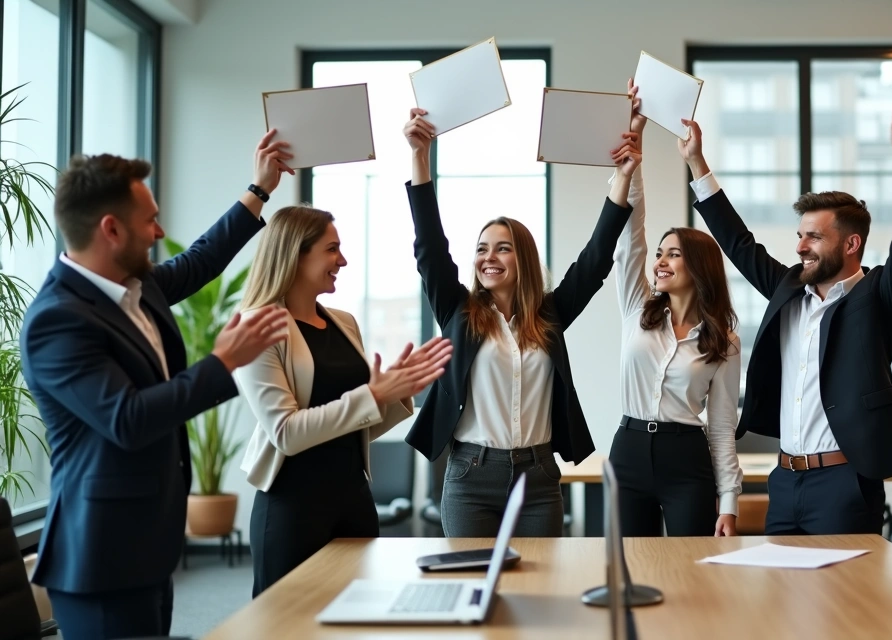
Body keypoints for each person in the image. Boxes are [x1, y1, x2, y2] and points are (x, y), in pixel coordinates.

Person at [19, 132, 295, 639]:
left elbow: (201, 260)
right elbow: (128, 419)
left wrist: (259, 189)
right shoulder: (56, 320)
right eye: (149, 220)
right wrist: (223, 362)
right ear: (111, 229)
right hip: (100, 558)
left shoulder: (137, 289)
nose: (159, 230)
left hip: (148, 545)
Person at [680, 93, 892, 535]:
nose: (800, 247)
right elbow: (739, 244)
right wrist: (698, 165)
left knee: (843, 603)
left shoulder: (879, 296)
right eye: (799, 235)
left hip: (844, 485)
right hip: (785, 481)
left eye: (813, 237)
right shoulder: (788, 289)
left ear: (850, 244)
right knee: (783, 600)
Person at [402, 107, 639, 537]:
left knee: (537, 596)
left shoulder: (548, 316)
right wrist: (420, 157)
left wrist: (623, 176)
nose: (488, 258)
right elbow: (430, 250)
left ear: (522, 258)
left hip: (538, 476)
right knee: (473, 595)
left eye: (502, 248)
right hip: (471, 475)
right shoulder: (459, 312)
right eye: (481, 249)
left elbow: (594, 262)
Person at [232, 205, 453, 597]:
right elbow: (286, 432)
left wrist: (396, 390)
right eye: (332, 249)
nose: (343, 260)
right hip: (293, 508)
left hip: (353, 498)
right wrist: (372, 393)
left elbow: (355, 426)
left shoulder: (344, 322)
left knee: (354, 619)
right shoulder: (256, 326)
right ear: (294, 254)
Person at [611, 80, 742, 537]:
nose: (660, 261)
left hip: (687, 458)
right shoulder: (637, 308)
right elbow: (631, 234)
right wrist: (635, 153)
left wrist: (729, 501)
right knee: (629, 569)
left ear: (699, 267)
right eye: (661, 253)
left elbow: (723, 426)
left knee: (693, 571)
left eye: (674, 254)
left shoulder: (723, 340)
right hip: (627, 453)